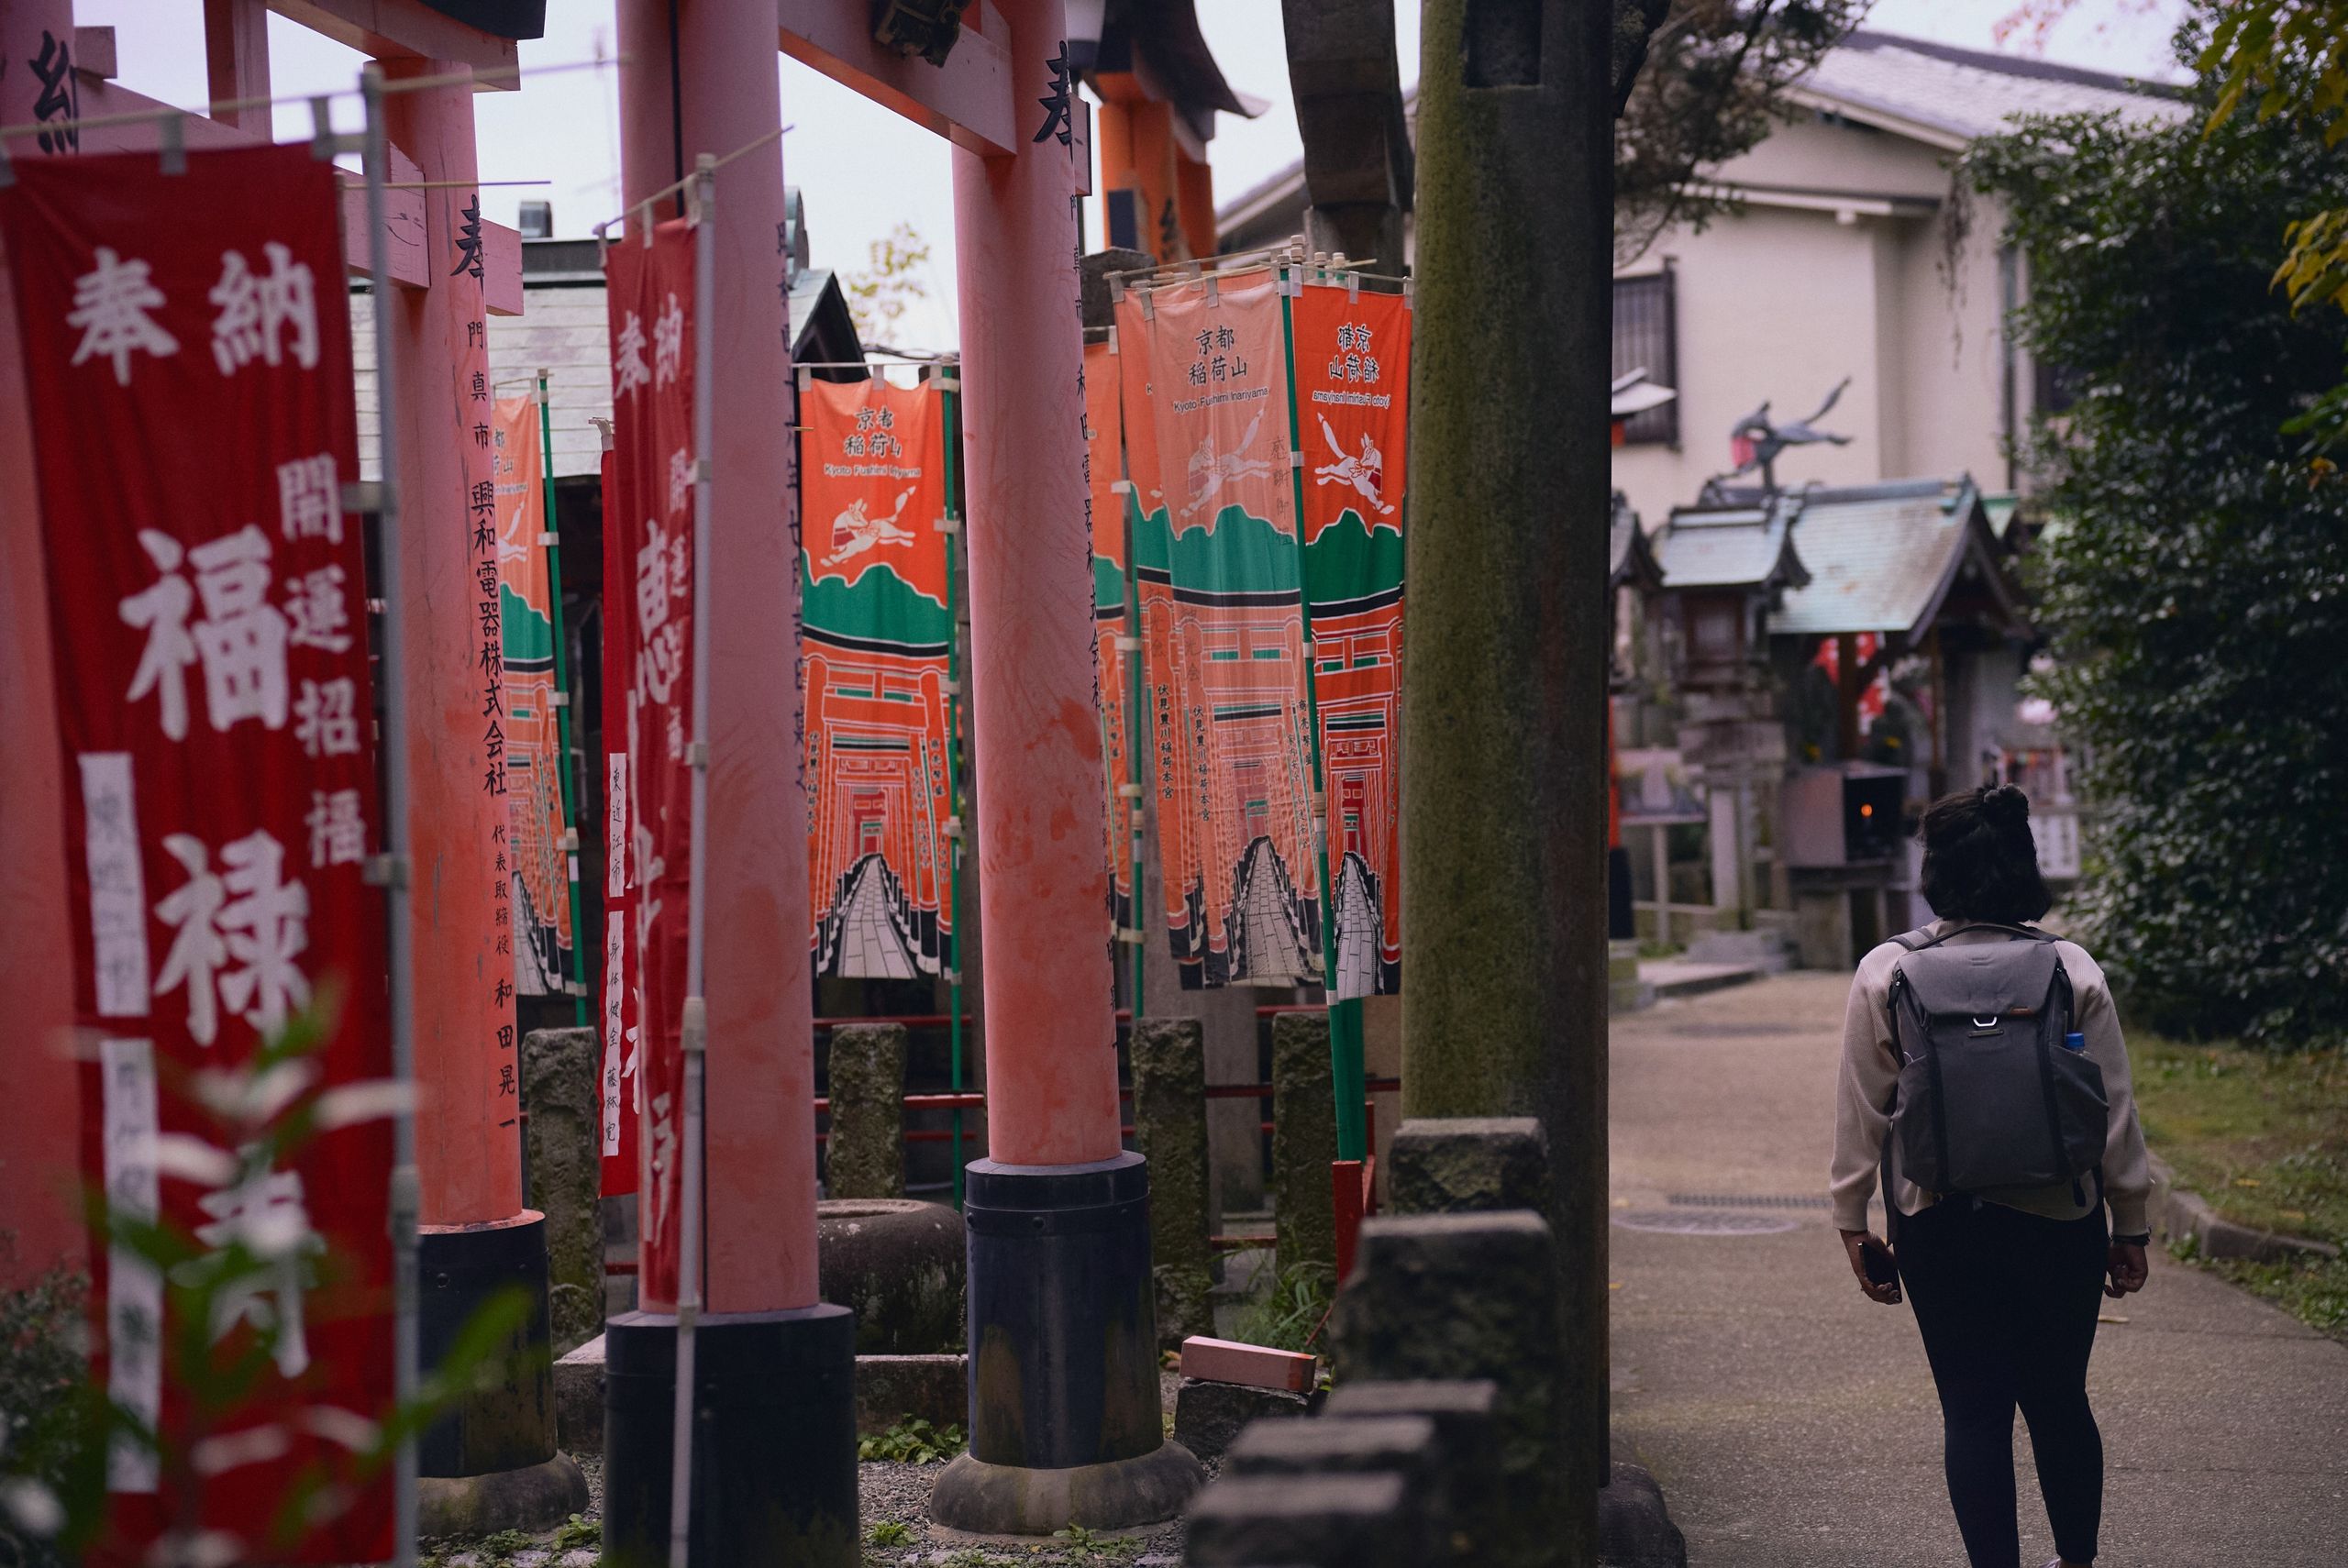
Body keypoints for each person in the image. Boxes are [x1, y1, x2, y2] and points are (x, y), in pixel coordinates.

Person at [1831, 784, 2153, 1568]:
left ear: (1935, 871)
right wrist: (2131, 1221)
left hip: (1939, 1220)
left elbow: (1861, 1111)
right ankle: (2075, 1561)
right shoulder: (2069, 967)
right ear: (2024, 869)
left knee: (1972, 1413)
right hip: (2061, 1220)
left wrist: (1851, 1216)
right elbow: (2111, 1110)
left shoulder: (1889, 971)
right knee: (2059, 1402)